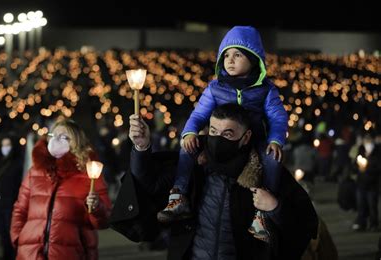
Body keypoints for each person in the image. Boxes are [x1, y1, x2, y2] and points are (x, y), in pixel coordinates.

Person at [110, 104, 317, 259]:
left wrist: (275, 207)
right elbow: (149, 183)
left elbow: (302, 225)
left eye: (228, 134)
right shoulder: (193, 167)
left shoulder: (266, 175)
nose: (217, 140)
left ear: (246, 137)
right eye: (214, 132)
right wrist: (142, 148)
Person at [159, 26, 288, 222]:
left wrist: (276, 140)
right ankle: (178, 195)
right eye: (226, 55)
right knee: (186, 148)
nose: (230, 60)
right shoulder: (214, 87)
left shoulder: (265, 90)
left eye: (238, 55)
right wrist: (190, 133)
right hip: (218, 138)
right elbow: (199, 114)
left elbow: (277, 117)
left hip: (252, 141)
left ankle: (262, 212)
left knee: (272, 159)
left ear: (253, 59)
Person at [10, 119, 111, 260]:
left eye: (64, 137)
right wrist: (19, 238)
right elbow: (20, 209)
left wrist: (96, 207)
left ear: (76, 142)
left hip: (70, 253)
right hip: (30, 254)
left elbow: (104, 220)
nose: (56, 140)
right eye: (53, 135)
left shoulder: (89, 174)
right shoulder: (35, 172)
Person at [0, 135, 23, 260]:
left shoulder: (17, 162)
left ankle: (13, 256)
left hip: (11, 202)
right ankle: (6, 254)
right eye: (3, 145)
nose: (5, 148)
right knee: (2, 232)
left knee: (10, 232)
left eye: (8, 145)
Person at [352, 133, 381, 231]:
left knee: (372, 205)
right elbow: (354, 165)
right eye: (366, 141)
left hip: (373, 184)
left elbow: (378, 167)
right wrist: (358, 167)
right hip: (361, 184)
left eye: (369, 141)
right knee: (361, 205)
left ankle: (374, 224)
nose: (367, 143)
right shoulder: (361, 150)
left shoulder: (377, 152)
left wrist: (367, 168)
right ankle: (361, 223)